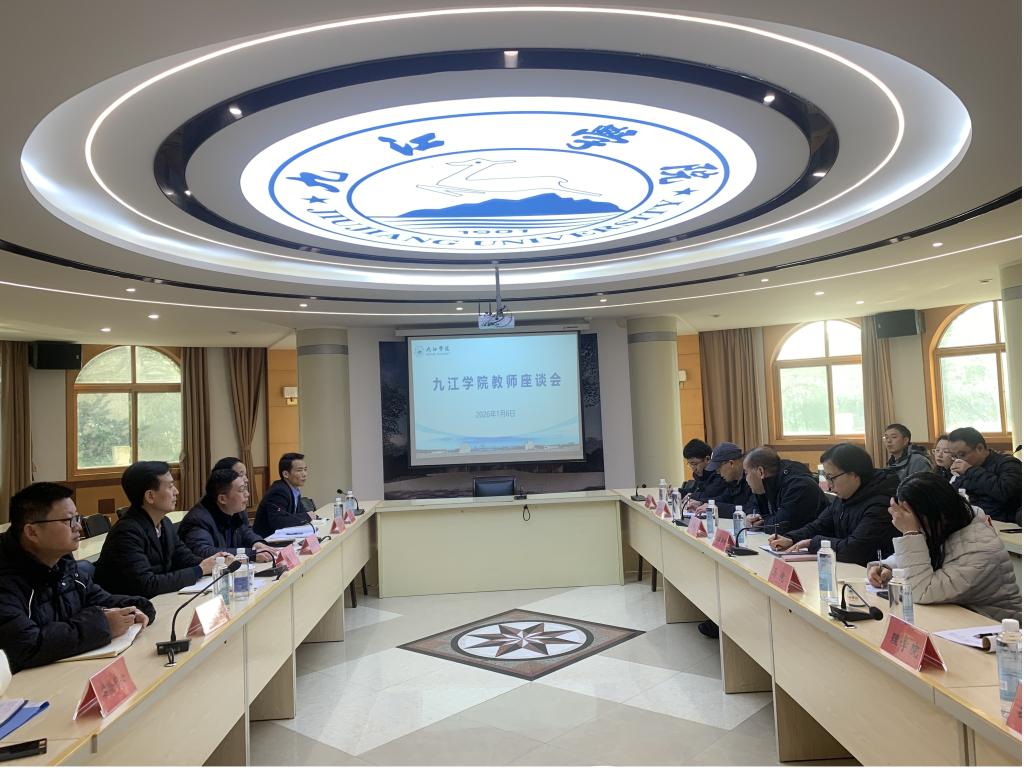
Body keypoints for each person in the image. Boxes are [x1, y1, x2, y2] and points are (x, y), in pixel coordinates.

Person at [0, 483, 155, 673]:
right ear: (32, 532)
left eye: (77, 518)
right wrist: (104, 625)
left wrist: (134, 608)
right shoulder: (6, 579)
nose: (79, 527)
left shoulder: (62, 561)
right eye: (69, 521)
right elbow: (26, 645)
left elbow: (96, 598)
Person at [868, 474, 1020, 623]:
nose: (913, 525)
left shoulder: (980, 550)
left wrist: (910, 533)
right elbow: (923, 555)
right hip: (955, 620)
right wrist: (888, 567)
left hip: (993, 627)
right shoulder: (944, 526)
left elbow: (922, 591)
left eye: (912, 517)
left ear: (936, 512)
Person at [94, 462, 226, 598]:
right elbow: (146, 584)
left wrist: (216, 562)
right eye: (170, 486)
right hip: (128, 606)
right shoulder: (126, 532)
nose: (176, 492)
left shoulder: (165, 523)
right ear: (150, 496)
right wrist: (199, 570)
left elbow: (185, 559)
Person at [769, 443, 900, 565]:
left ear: (853, 474)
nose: (829, 485)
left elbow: (855, 549)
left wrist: (814, 543)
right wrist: (791, 538)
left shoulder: (882, 504)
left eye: (831, 478)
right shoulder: (846, 496)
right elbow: (819, 526)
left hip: (873, 574)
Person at [179, 469, 275, 563]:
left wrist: (256, 542)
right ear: (222, 499)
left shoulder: (233, 511)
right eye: (241, 490)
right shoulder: (198, 520)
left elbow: (244, 532)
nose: (247, 494)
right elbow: (204, 552)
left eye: (245, 488)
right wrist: (250, 554)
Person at [743, 447, 828, 533]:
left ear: (760, 472)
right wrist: (752, 517)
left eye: (746, 473)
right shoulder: (767, 483)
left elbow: (781, 525)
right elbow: (752, 505)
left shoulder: (798, 486)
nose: (746, 479)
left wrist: (761, 523)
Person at [948, 427, 1022, 523]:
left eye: (962, 455)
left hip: (1004, 523)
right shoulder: (966, 468)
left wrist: (971, 471)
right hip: (975, 522)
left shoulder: (1008, 463)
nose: (958, 460)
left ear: (980, 448)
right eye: (954, 456)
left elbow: (1007, 492)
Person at [253, 453, 313, 536]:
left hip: (284, 536)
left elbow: (300, 512)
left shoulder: (295, 489)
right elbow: (278, 521)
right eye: (299, 470)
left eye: (305, 469)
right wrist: (307, 516)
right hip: (267, 539)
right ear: (285, 474)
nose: (304, 474)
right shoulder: (279, 491)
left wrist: (307, 516)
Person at [704, 442, 751, 515]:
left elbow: (750, 510)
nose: (719, 473)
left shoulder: (751, 479)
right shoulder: (733, 481)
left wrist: (715, 508)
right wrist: (701, 503)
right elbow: (725, 498)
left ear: (731, 463)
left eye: (719, 468)